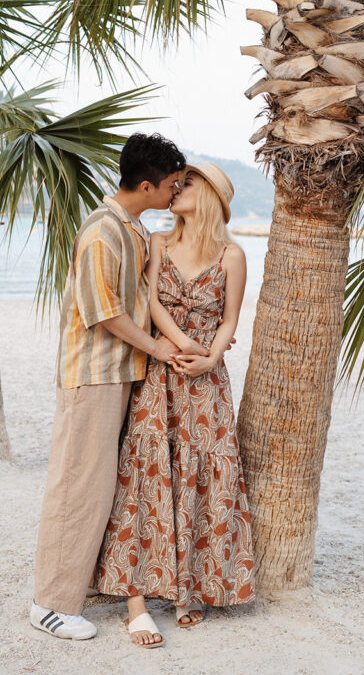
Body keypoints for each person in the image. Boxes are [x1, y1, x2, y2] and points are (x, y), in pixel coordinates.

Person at [30, 133, 209, 641]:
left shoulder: (131, 228)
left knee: (101, 484)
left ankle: (78, 584)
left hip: (120, 374)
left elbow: (144, 298)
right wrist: (158, 350)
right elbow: (103, 310)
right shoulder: (102, 231)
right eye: (172, 184)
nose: (176, 193)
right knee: (77, 485)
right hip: (93, 376)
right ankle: (50, 603)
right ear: (147, 185)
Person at [93, 162, 255, 648]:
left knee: (201, 476)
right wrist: (184, 344)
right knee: (145, 475)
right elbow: (151, 303)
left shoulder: (233, 254)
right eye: (176, 182)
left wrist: (210, 359)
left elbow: (230, 320)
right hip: (162, 368)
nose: (177, 188)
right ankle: (137, 603)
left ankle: (191, 588)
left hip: (206, 378)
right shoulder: (157, 242)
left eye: (188, 183)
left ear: (211, 197)